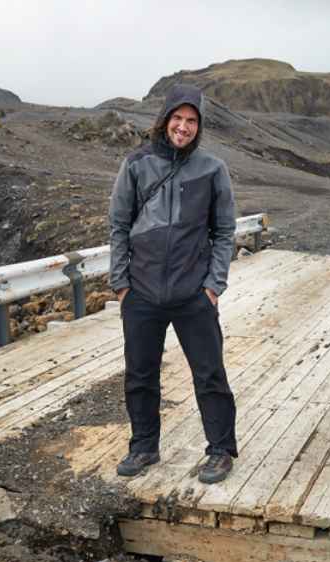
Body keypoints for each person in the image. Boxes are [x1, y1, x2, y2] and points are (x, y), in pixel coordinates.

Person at [108, 84, 238, 483]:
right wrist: (121, 284)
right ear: (164, 120)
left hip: (192, 294)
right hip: (142, 293)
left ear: (199, 127)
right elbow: (118, 225)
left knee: (210, 374)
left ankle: (220, 451)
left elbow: (224, 231)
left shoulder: (212, 169)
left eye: (192, 121)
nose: (183, 127)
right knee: (140, 375)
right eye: (178, 119)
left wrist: (213, 285)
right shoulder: (136, 164)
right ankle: (144, 447)